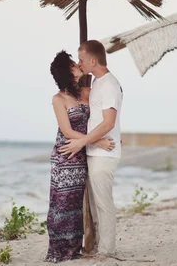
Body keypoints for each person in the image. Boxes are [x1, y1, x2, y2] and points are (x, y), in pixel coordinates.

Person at [45, 50, 114, 263]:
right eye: (73, 63)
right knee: (62, 202)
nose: (77, 65)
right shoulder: (59, 99)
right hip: (66, 155)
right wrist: (98, 141)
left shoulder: (85, 92)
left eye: (77, 62)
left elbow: (108, 102)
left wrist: (114, 134)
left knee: (75, 204)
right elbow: (67, 132)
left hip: (82, 153)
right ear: (66, 71)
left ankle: (74, 249)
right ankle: (60, 251)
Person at [59, 40, 123, 256]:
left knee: (104, 204)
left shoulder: (110, 85)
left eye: (82, 60)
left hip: (104, 153)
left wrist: (82, 141)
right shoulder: (97, 83)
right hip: (95, 152)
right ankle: (98, 246)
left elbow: (108, 123)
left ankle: (107, 251)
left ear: (93, 60)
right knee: (96, 205)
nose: (79, 64)